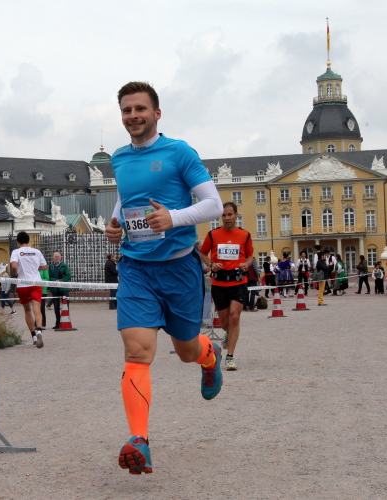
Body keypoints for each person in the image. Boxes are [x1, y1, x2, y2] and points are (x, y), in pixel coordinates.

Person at [104, 81, 224, 475]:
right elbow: (126, 197)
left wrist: (174, 218)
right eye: (126, 110)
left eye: (140, 109)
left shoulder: (179, 152)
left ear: (156, 113)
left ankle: (209, 355)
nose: (133, 116)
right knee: (137, 352)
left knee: (186, 350)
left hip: (179, 267)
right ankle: (139, 440)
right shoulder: (119, 158)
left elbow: (213, 205)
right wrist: (116, 223)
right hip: (136, 268)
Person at [200, 201, 254, 370]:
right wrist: (211, 264)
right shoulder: (213, 234)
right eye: (224, 215)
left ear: (236, 215)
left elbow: (250, 256)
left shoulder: (244, 235)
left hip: (238, 281)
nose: (227, 218)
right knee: (224, 323)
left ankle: (230, 357)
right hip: (219, 282)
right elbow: (203, 253)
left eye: (230, 214)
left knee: (234, 316)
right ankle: (228, 333)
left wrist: (246, 264)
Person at [10, 231, 47, 348]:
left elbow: (14, 266)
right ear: (28, 240)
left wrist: (15, 274)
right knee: (37, 309)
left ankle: (34, 336)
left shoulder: (16, 252)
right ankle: (39, 329)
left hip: (22, 284)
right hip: (36, 282)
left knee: (27, 310)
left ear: (18, 242)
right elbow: (44, 266)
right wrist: (35, 268)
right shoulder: (37, 251)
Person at [48, 252, 71, 329]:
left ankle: (65, 321)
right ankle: (58, 323)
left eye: (58, 256)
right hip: (55, 288)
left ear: (60, 257)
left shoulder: (64, 266)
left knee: (65, 305)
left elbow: (68, 276)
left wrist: (61, 280)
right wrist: (54, 281)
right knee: (56, 306)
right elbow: (49, 276)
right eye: (55, 256)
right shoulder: (51, 266)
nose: (57, 258)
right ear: (53, 257)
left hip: (63, 288)